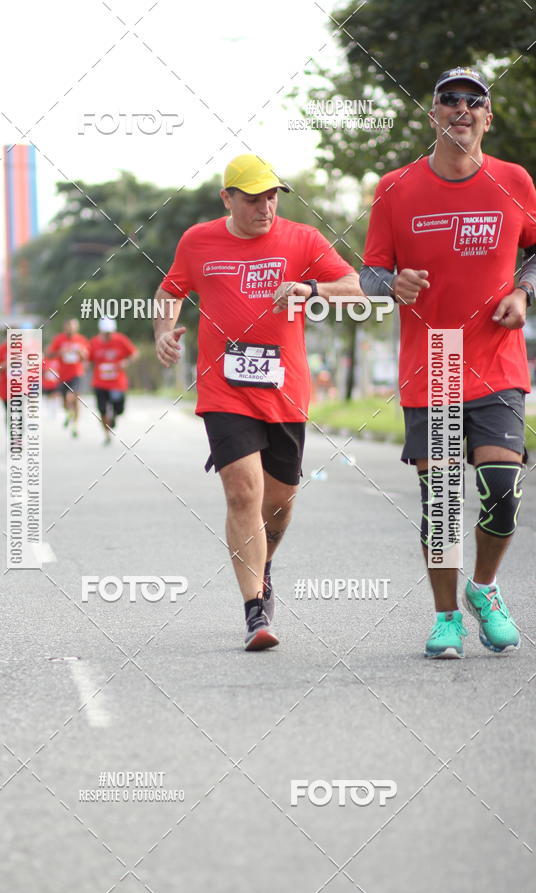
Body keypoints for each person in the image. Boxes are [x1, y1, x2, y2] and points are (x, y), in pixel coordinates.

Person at [360, 66, 536, 659]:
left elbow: (535, 251)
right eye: (449, 100)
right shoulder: (395, 187)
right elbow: (369, 272)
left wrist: (523, 292)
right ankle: (445, 619)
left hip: (497, 365)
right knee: (440, 505)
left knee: (502, 492)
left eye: (474, 101)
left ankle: (482, 589)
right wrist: (393, 283)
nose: (462, 109)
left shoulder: (513, 180)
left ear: (489, 116)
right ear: (432, 113)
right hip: (431, 364)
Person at [154, 153, 362, 650]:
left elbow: (356, 286)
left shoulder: (302, 240)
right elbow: (169, 290)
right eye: (253, 199)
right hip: (225, 388)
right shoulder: (198, 241)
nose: (266, 207)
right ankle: (255, 613)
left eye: (271, 196)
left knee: (279, 506)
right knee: (242, 492)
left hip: (286, 392)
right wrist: (164, 332)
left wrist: (311, 287)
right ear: (227, 198)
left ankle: (263, 565)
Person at [89, 318, 138, 444]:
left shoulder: (120, 340)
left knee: (119, 408)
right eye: (105, 332)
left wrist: (126, 362)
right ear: (100, 331)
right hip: (100, 382)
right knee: (102, 409)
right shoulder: (94, 342)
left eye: (110, 332)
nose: (108, 335)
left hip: (117, 383)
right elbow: (88, 358)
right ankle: (107, 435)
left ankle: (114, 417)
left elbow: (134, 353)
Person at [46, 319, 89, 437]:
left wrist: (81, 353)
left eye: (72, 327)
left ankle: (75, 425)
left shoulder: (81, 340)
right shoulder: (59, 339)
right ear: (65, 328)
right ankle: (69, 413)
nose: (70, 329)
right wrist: (60, 351)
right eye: (68, 327)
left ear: (77, 328)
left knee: (73, 397)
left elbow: (86, 357)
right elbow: (49, 354)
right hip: (63, 375)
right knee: (65, 402)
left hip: (77, 374)